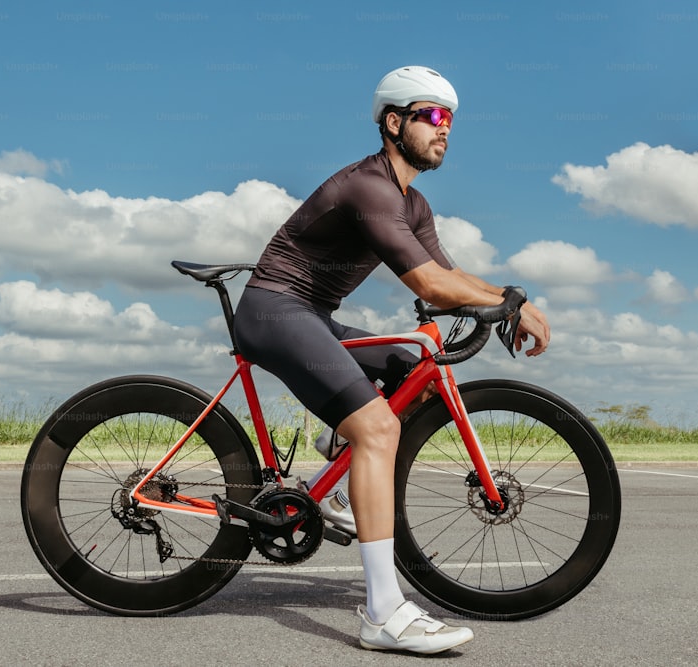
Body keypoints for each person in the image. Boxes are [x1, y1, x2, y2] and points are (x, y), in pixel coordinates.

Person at [232, 65, 550, 654]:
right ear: (393, 122)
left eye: (450, 119)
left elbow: (451, 274)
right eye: (432, 116)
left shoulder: (415, 203)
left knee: (414, 374)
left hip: (312, 314)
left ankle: (335, 471)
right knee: (378, 427)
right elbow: (430, 284)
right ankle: (383, 613)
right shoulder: (368, 187)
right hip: (275, 309)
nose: (444, 129)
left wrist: (512, 296)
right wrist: (504, 304)